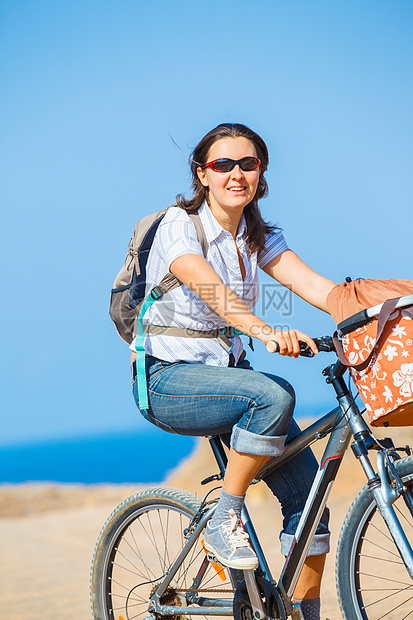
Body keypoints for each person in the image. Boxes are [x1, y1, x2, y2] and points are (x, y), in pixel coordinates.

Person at [130, 123, 336, 620]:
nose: (236, 173)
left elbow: (316, 287)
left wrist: (379, 311)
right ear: (203, 173)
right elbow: (210, 291)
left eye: (248, 163)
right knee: (274, 394)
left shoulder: (258, 236)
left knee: (312, 513)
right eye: (223, 164)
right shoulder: (181, 226)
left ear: (261, 173)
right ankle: (228, 513)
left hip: (230, 381)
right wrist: (267, 332)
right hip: (167, 380)